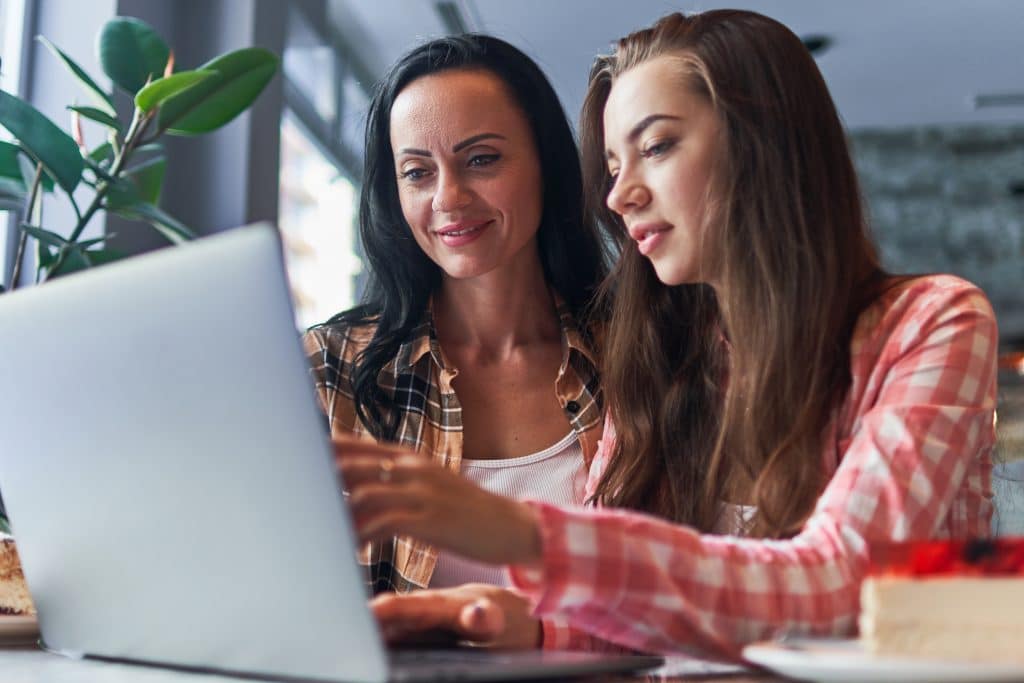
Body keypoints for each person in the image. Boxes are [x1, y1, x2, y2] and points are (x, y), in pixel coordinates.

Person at [336, 9, 999, 658]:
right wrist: (508, 619)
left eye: (655, 146)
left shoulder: (933, 321)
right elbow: (640, 610)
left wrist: (522, 534)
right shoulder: (659, 354)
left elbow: (839, 589)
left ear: (763, 143)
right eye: (615, 166)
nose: (619, 196)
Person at [303, 34, 610, 598]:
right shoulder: (326, 370)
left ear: (546, 162)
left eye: (481, 159)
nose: (448, 197)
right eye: (417, 172)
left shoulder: (639, 354)